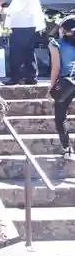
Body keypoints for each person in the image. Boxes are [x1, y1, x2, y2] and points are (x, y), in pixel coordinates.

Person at [3, 0, 46, 85]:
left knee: (16, 52)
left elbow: (16, 7)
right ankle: (31, 77)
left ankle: (15, 78)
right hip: (29, 24)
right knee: (28, 52)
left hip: (22, 25)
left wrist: (4, 12)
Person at [49, 15, 75, 157]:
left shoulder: (55, 44)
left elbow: (56, 68)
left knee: (60, 117)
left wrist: (51, 88)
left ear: (63, 30)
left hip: (67, 83)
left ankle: (67, 149)